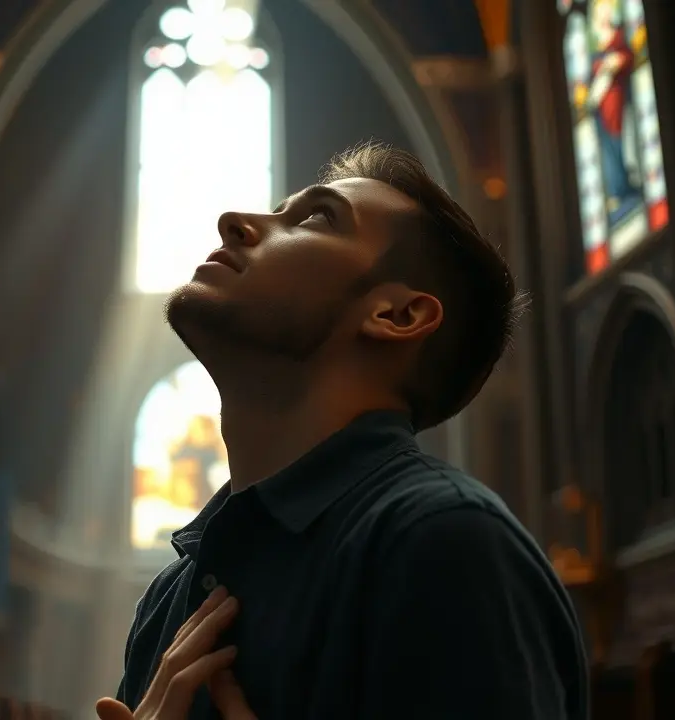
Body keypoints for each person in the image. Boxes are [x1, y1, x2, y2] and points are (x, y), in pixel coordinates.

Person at [97, 142, 588, 720]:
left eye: (314, 218)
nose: (236, 222)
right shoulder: (170, 594)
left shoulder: (444, 541)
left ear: (397, 315)